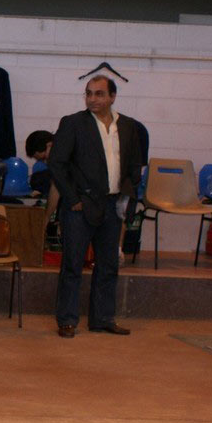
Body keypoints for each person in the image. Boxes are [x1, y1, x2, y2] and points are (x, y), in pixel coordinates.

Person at [49, 76, 142, 338]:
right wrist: (72, 199)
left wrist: (127, 195)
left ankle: (102, 318)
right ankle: (67, 320)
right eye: (88, 93)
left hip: (112, 205)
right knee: (72, 264)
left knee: (109, 264)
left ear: (112, 97)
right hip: (80, 205)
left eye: (99, 94)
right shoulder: (73, 123)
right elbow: (56, 163)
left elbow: (134, 165)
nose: (92, 99)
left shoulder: (128, 126)